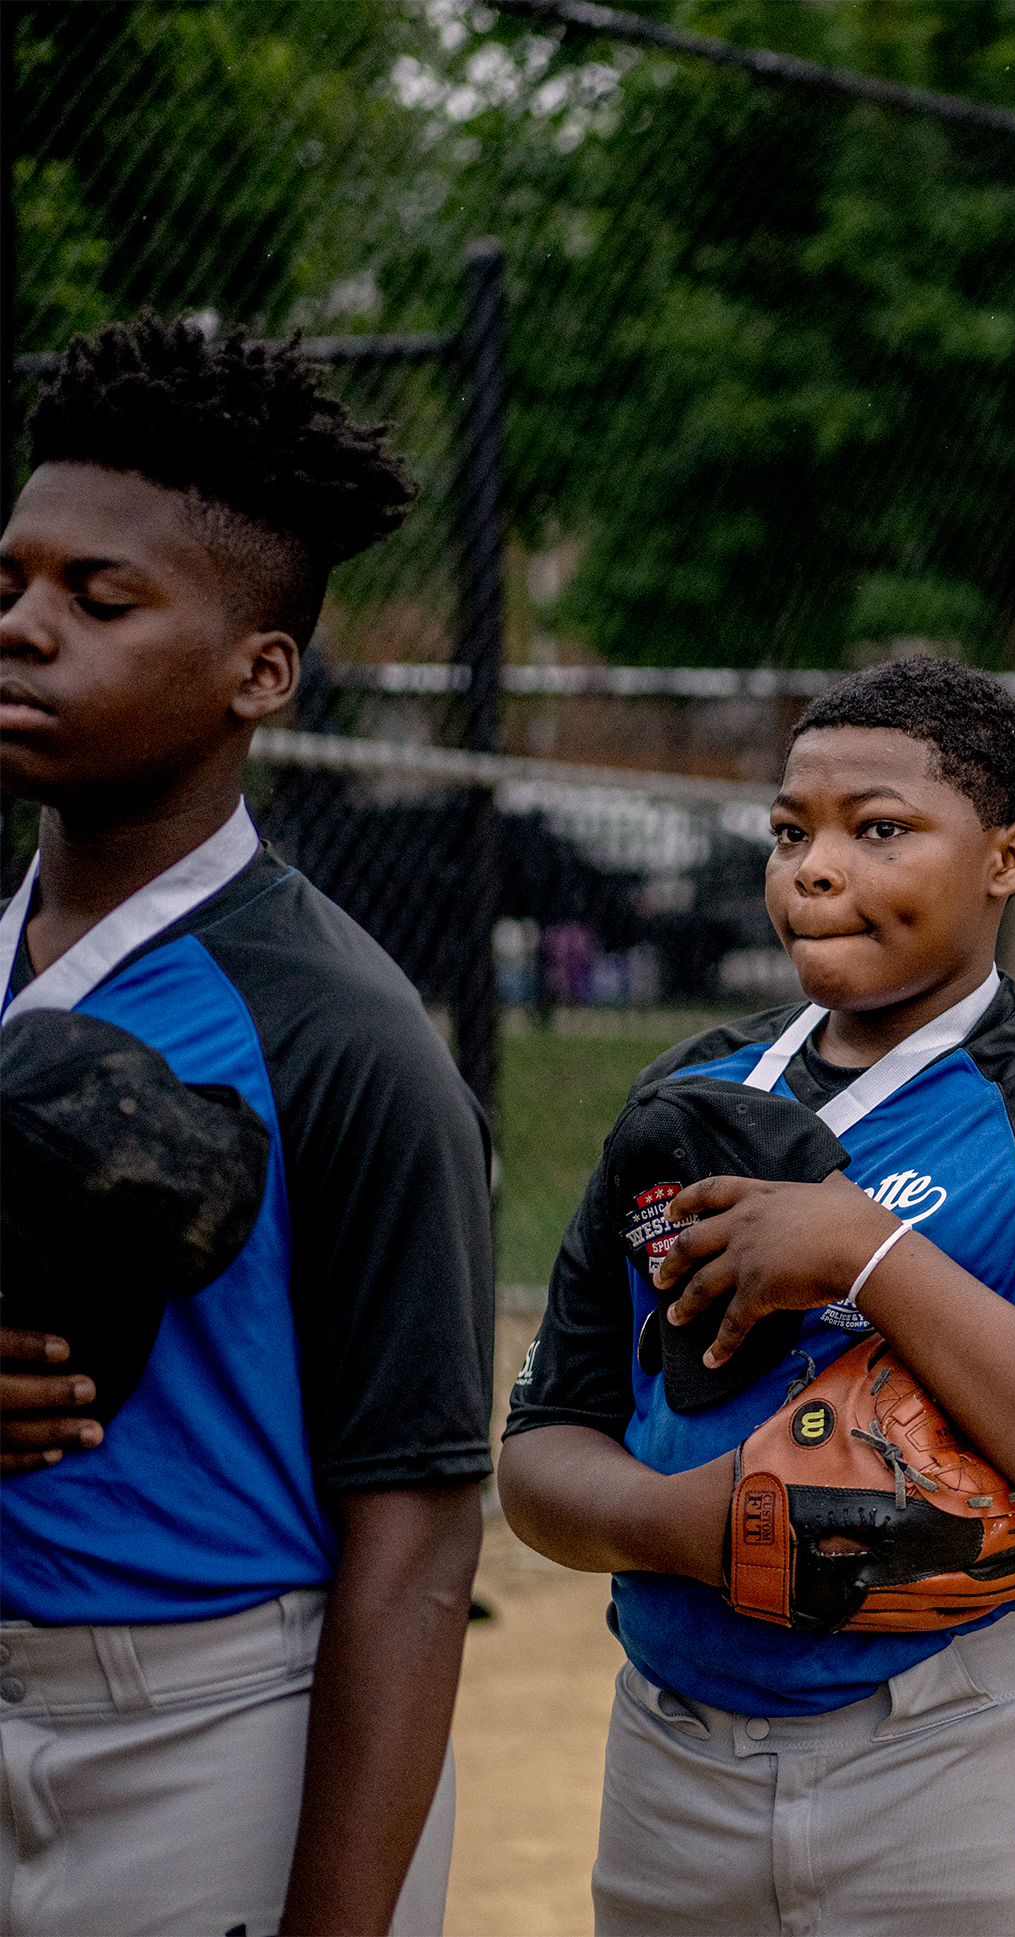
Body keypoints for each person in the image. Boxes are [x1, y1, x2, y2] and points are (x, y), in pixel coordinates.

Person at [496, 656, 1015, 1937]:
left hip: (961, 1747)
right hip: (673, 1754)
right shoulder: (689, 1093)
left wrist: (869, 1255)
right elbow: (542, 1451)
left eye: (878, 829)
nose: (813, 868)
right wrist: (698, 1526)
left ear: (1009, 855)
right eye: (792, 832)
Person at [0, 317, 495, 1935]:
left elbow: (418, 1532)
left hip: (209, 1720)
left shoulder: (340, 1033)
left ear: (259, 671)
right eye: (12, 580)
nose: (24, 627)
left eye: (101, 598)